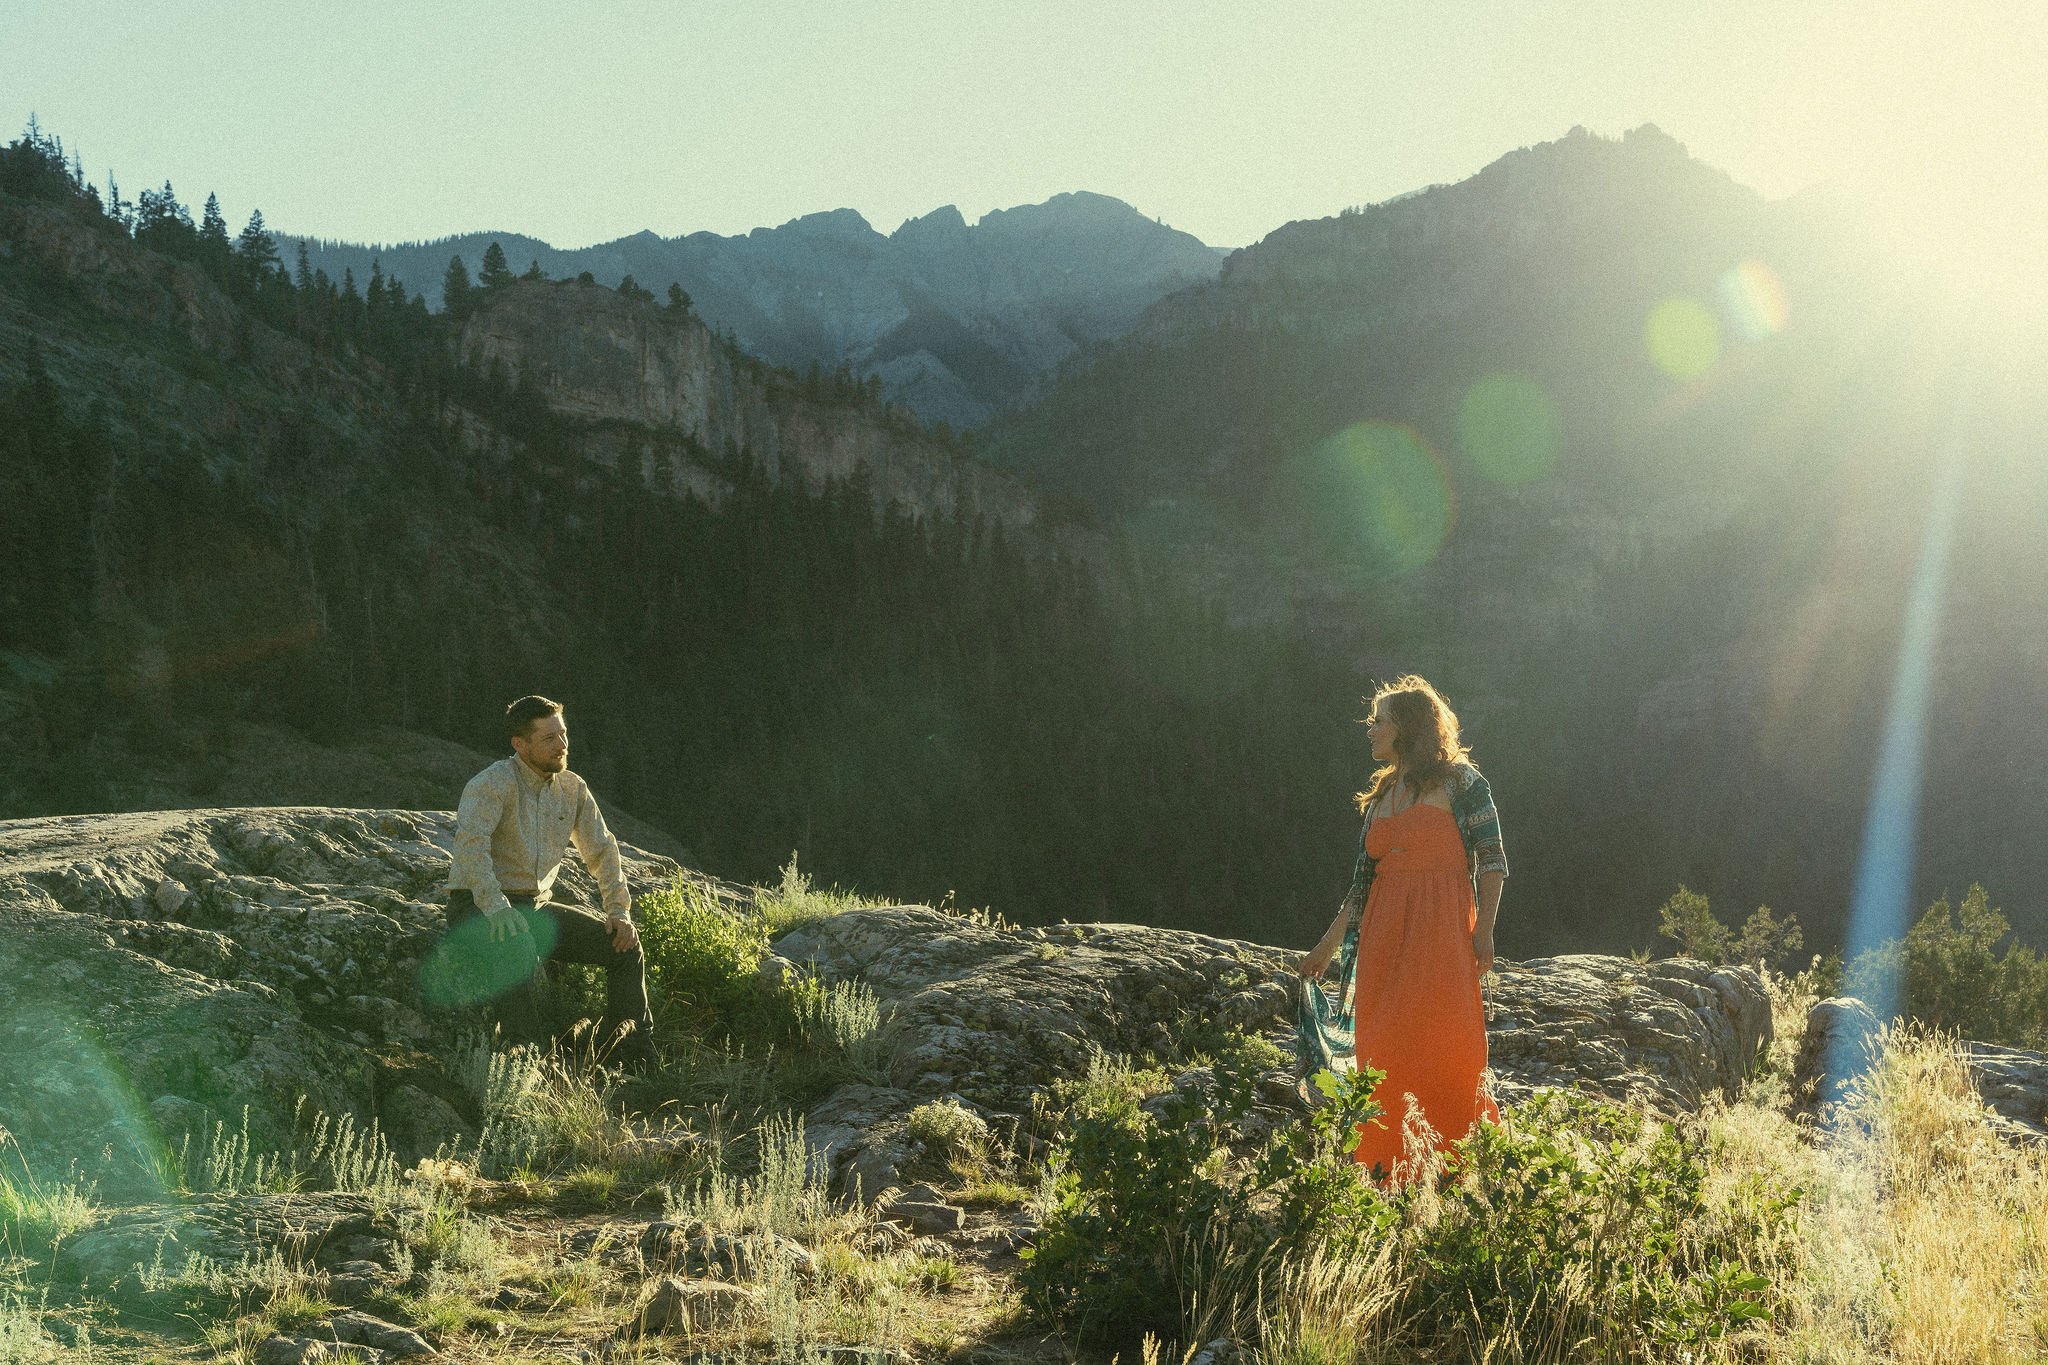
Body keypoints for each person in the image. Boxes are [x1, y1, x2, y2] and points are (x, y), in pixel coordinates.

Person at [1296, 675, 1505, 1182]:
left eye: (1379, 721)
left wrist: (1485, 931)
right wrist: (1326, 949)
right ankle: (1388, 1171)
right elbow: (1360, 888)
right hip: (1383, 937)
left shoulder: (1462, 783)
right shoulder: (1383, 795)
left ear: (1407, 727)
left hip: (1443, 934)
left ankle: (1456, 1169)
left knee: (1447, 1043)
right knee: (1382, 1046)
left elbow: (1492, 858)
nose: (1370, 730)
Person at [432, 695, 657, 1071]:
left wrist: (619, 911)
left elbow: (602, 850)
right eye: (549, 738)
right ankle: (527, 1063)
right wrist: (497, 908)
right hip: (476, 905)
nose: (562, 745)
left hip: (534, 905)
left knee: (625, 947)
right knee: (514, 943)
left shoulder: (573, 788)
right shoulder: (490, 784)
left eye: (563, 734)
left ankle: (632, 1056)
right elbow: (471, 850)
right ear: (519, 744)